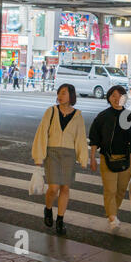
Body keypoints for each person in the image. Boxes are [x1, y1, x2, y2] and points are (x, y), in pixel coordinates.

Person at [32, 84, 88, 235]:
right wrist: (39, 157)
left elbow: (81, 138)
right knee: (53, 188)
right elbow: (41, 133)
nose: (60, 96)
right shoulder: (51, 111)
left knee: (65, 188)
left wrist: (83, 157)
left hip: (69, 154)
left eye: (64, 93)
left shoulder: (77, 115)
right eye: (59, 93)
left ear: (71, 96)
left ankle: (60, 220)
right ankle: (48, 209)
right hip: (53, 153)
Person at [89, 86, 131, 231]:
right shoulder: (102, 117)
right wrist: (92, 157)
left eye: (120, 95)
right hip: (107, 158)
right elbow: (94, 138)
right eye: (113, 95)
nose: (116, 98)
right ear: (109, 97)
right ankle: (112, 217)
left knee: (120, 191)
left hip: (127, 159)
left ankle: (112, 213)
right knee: (110, 190)